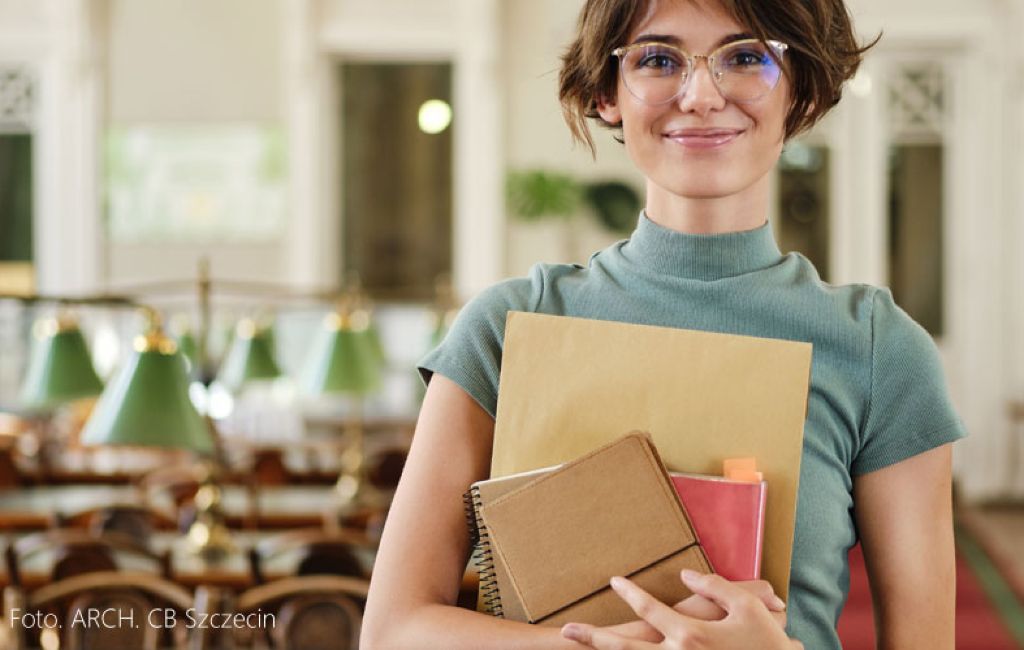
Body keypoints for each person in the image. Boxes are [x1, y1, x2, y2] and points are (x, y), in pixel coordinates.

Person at [362, 0, 966, 648]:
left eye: (747, 56)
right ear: (606, 92)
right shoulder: (507, 328)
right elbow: (394, 631)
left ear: (803, 92)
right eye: (657, 58)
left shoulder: (878, 349)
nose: (702, 95)